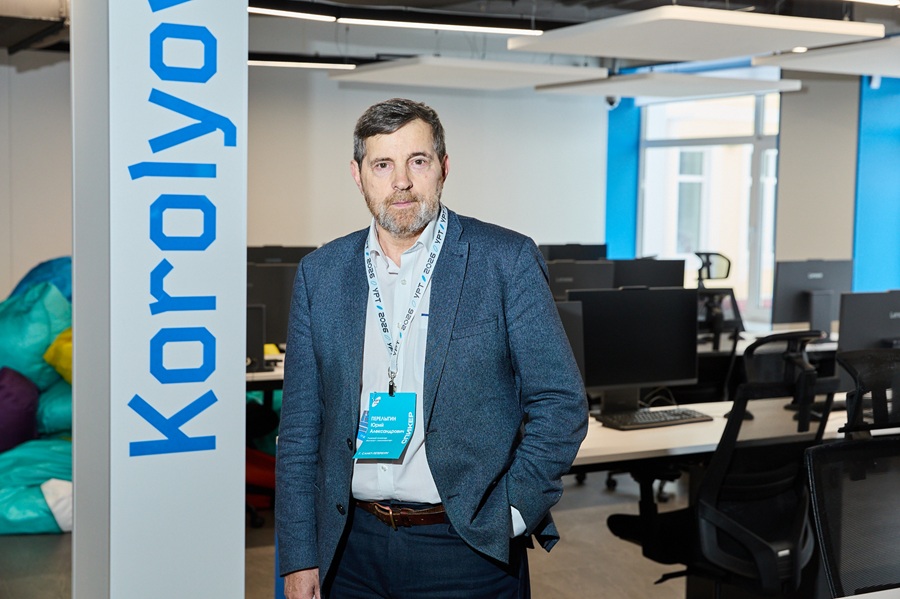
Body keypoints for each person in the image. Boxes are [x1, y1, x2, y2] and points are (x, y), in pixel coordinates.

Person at [275, 98, 588, 599]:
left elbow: (561, 402)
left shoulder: (504, 260)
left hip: (466, 546)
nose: (400, 182)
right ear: (358, 174)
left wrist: (512, 511)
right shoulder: (322, 274)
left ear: (443, 167)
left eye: (417, 161)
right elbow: (298, 431)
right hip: (349, 549)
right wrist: (299, 555)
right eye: (382, 165)